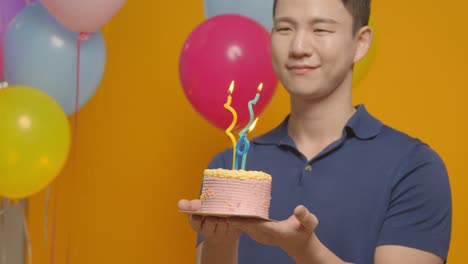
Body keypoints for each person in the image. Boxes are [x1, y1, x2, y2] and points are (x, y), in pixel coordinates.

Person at [178, 0, 452, 263]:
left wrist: (306, 250)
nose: (298, 47)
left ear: (361, 42)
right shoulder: (230, 167)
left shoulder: (413, 167)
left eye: (320, 29)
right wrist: (220, 242)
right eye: (285, 28)